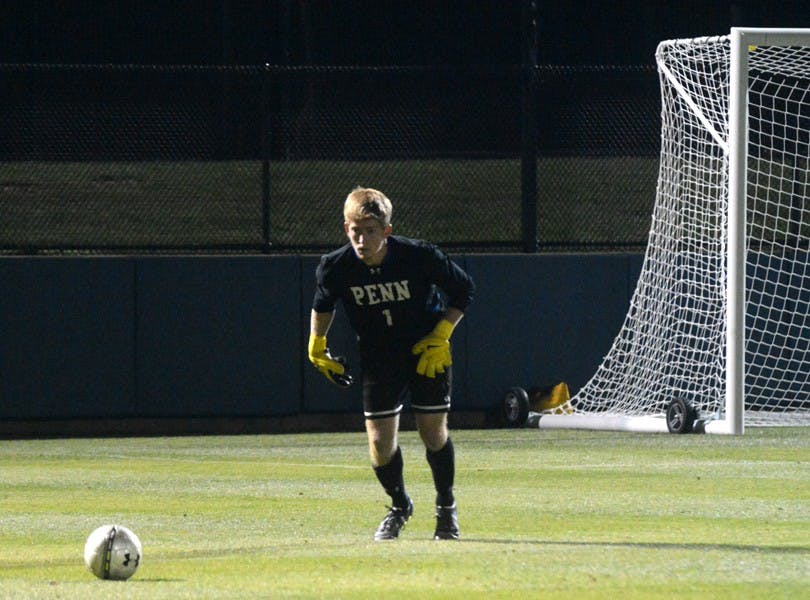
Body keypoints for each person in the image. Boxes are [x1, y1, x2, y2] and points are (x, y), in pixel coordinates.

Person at [307, 187, 475, 541]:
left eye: (370, 231)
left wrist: (443, 333)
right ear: (346, 228)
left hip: (424, 350)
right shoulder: (336, 266)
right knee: (380, 444)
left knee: (432, 431)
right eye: (356, 230)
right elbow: (323, 305)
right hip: (378, 357)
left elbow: (464, 290)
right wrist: (316, 346)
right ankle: (400, 504)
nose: (362, 239)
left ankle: (446, 507)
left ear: (386, 231)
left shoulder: (419, 256)